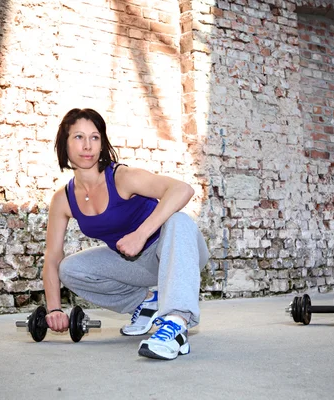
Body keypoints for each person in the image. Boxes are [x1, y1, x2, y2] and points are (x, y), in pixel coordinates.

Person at [42, 108, 210, 360]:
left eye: (94, 137)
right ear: (64, 144)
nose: (87, 145)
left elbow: (182, 189)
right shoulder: (63, 199)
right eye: (78, 137)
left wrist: (141, 234)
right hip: (137, 264)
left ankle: (176, 323)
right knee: (69, 268)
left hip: (176, 252)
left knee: (178, 220)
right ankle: (146, 303)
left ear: (102, 143)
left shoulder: (121, 177)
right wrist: (54, 308)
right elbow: (52, 257)